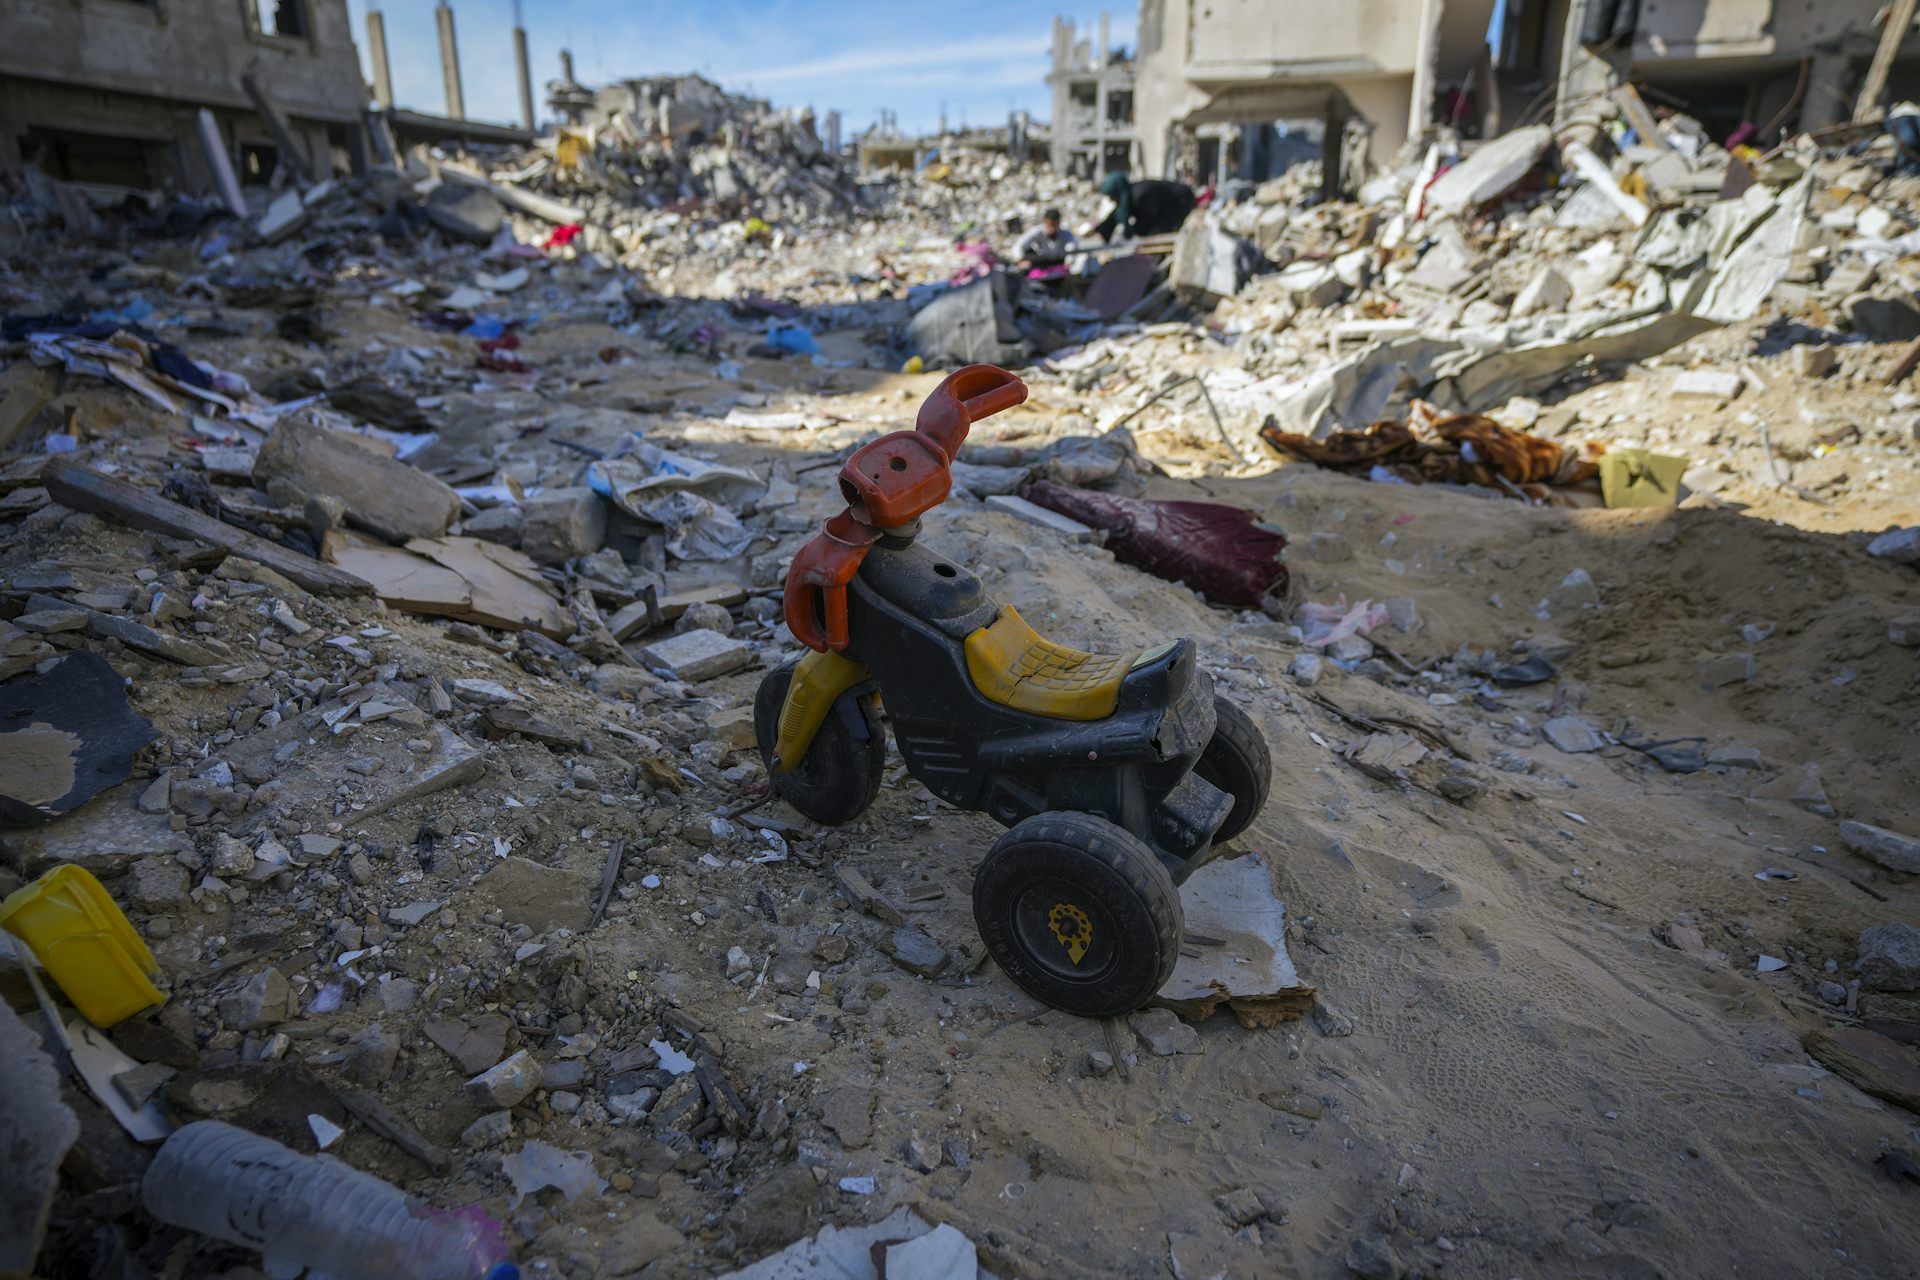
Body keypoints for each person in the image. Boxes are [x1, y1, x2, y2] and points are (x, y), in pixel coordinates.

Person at [1092, 170, 1198, 242]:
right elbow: (1118, 215)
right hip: (1168, 206)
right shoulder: (1130, 195)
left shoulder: (1139, 195)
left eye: (1112, 196)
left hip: (1182, 200)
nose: (1112, 200)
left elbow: (1152, 217)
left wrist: (1134, 231)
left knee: (1154, 232)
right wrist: (1100, 229)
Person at [1011, 208, 1076, 271]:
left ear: (1059, 223)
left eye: (1054, 225)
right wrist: (1020, 259)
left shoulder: (1066, 234)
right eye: (1049, 225)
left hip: (1059, 263)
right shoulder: (1037, 232)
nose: (1052, 228)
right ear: (1045, 222)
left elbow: (1072, 248)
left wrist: (1068, 261)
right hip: (1040, 263)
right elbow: (1019, 244)